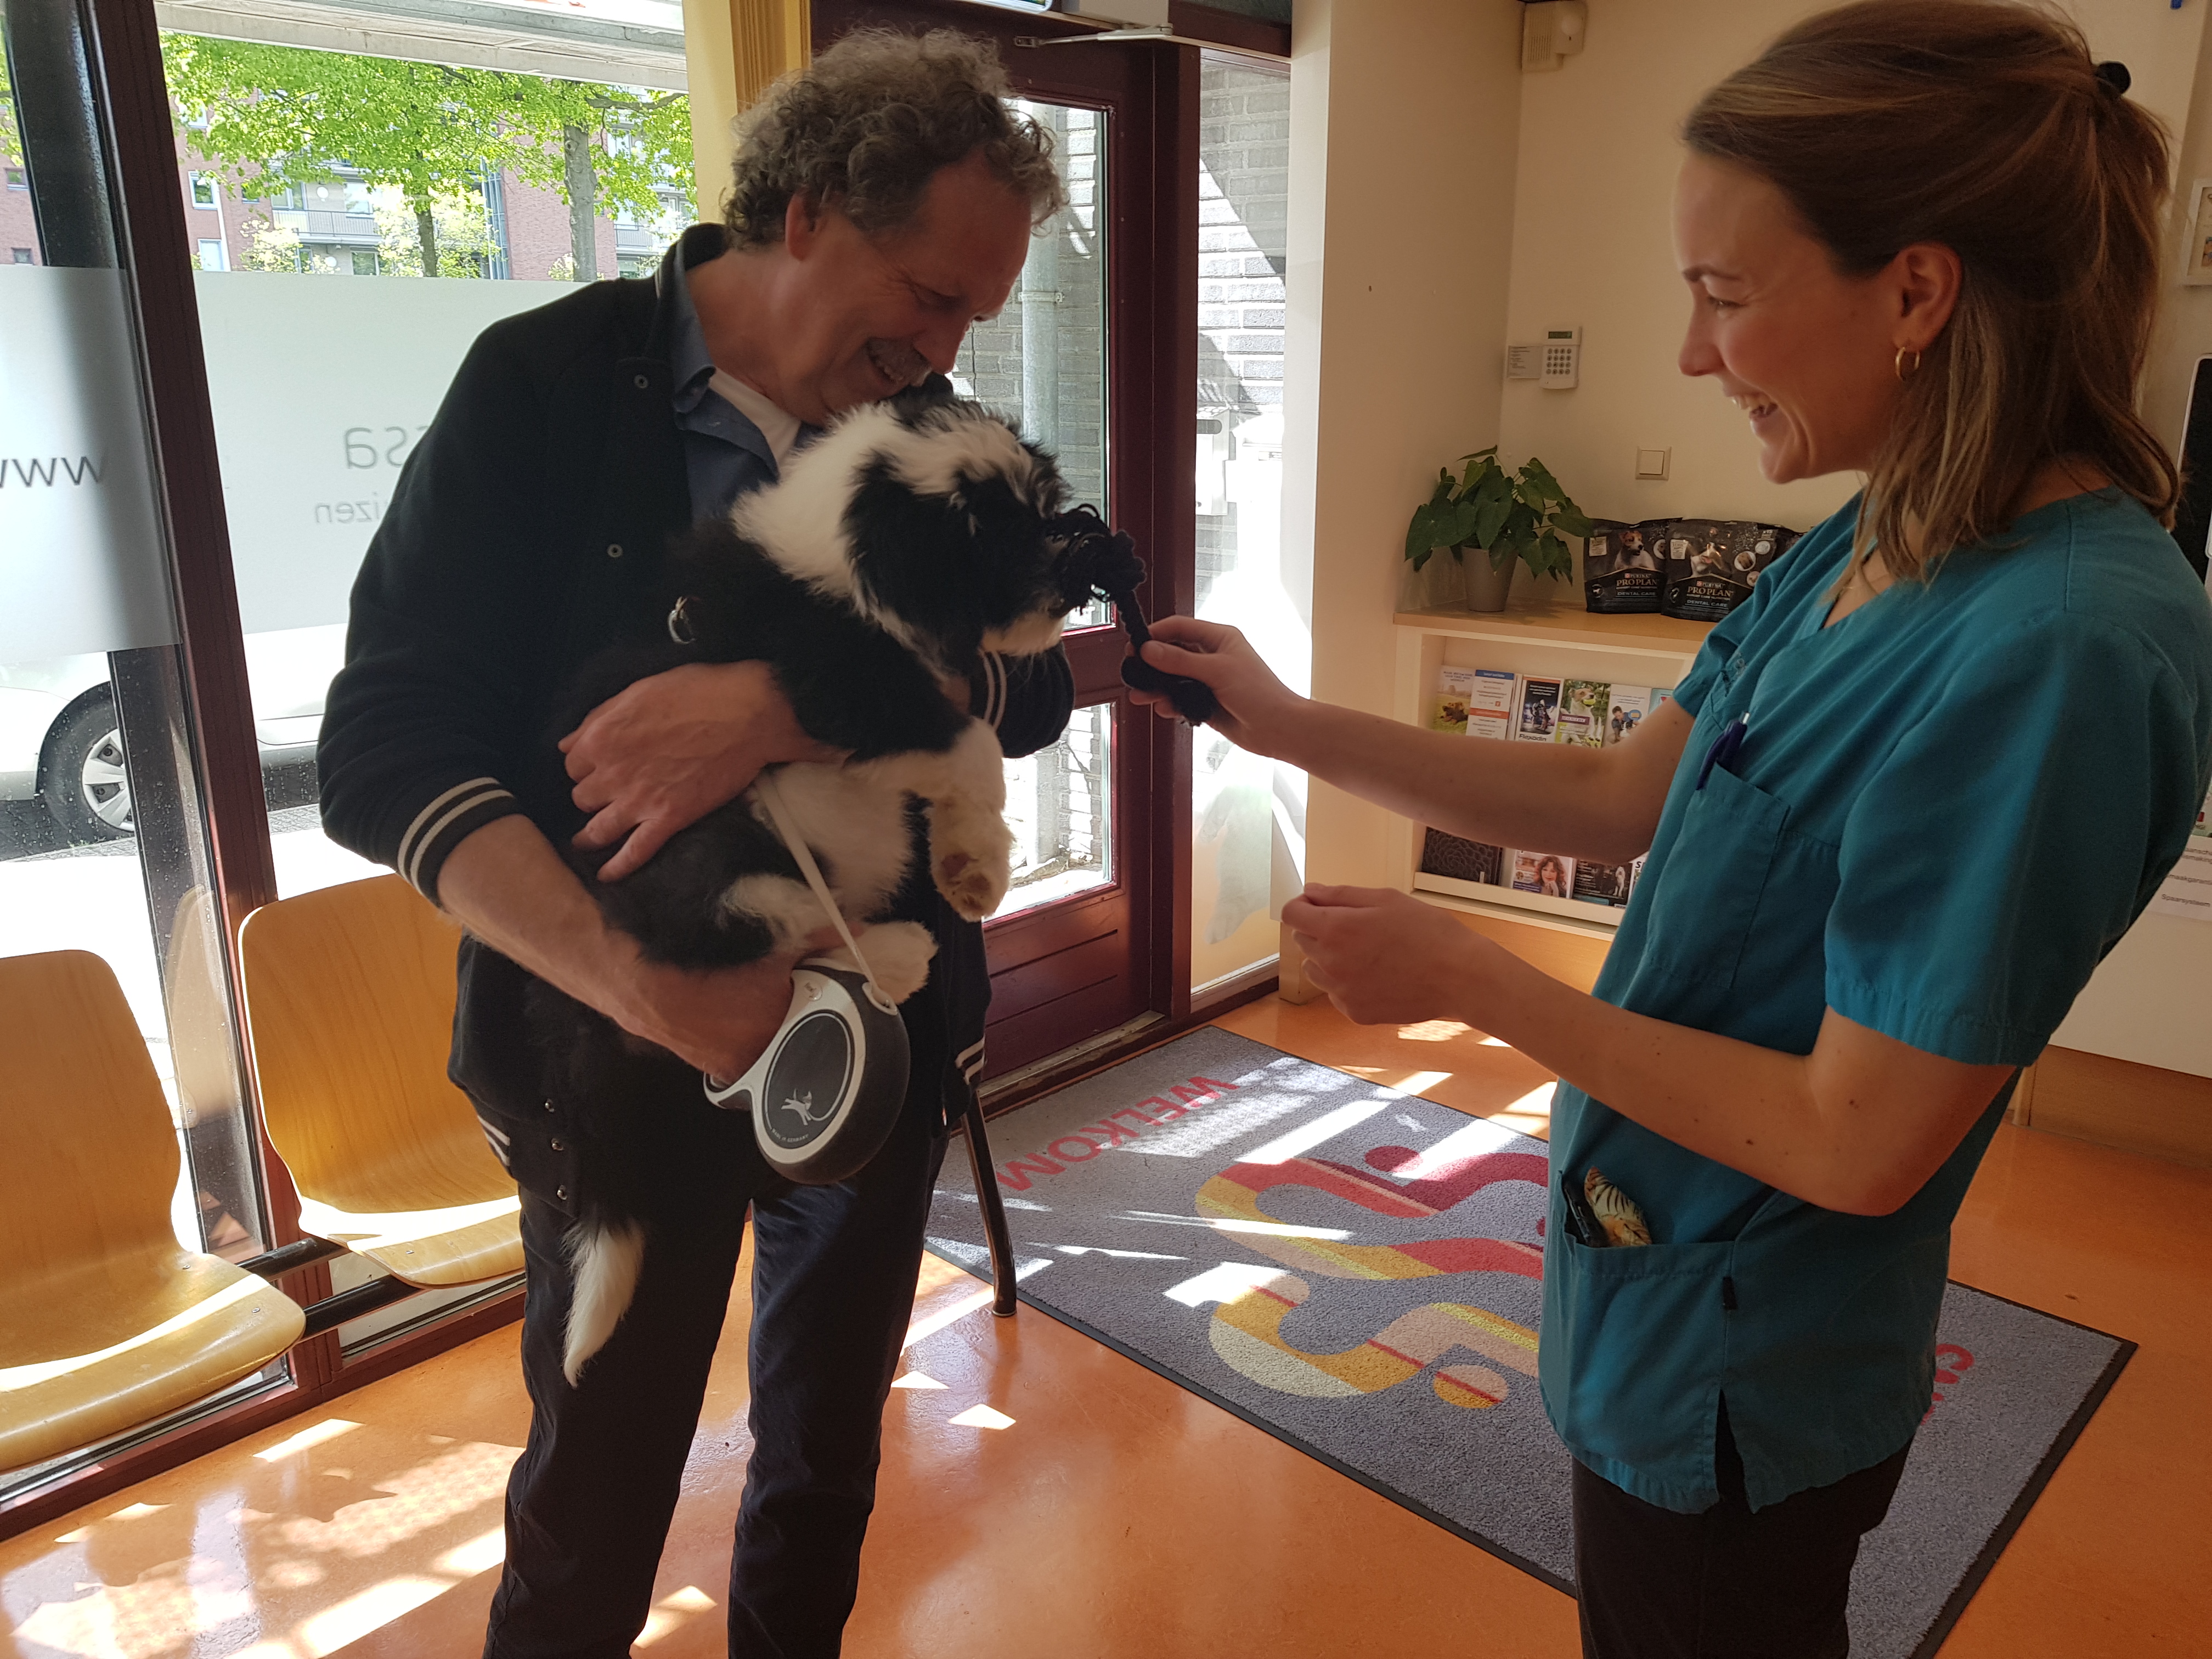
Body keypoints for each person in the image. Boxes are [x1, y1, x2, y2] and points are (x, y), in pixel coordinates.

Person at [1130, 5, 2212, 1655]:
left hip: (1748, 1358)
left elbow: (1858, 1139)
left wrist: (1480, 984)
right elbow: (1615, 797)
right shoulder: (1881, 528)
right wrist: (1280, 720)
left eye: (1723, 294)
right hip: (1654, 1292)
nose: (1696, 355)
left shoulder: (2057, 648)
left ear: (1917, 292)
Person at [318, 29, 1073, 1658]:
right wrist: (646, 989)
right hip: (618, 1038)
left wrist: (783, 707)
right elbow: (384, 753)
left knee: (826, 1456)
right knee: (595, 1490)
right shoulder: (541, 387)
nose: (945, 350)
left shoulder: (918, 428)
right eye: (929, 296)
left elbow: (1033, 683)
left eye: (974, 319)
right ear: (806, 213)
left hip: (872, 1029)